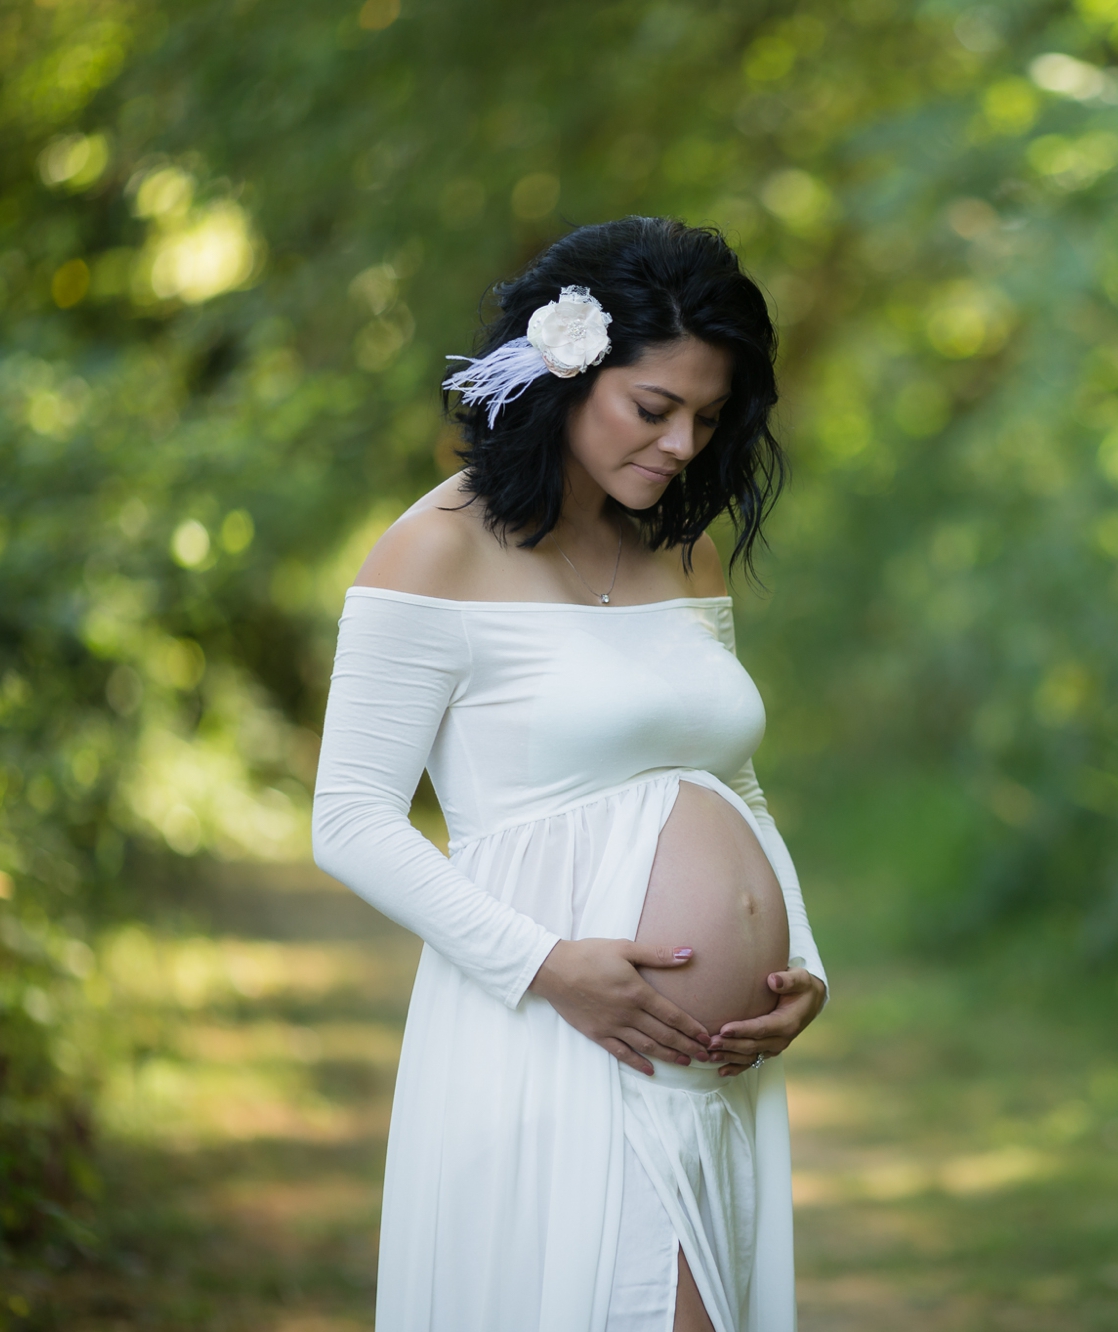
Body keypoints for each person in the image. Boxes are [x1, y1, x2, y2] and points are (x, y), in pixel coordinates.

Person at [311, 216, 827, 1332]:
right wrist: (548, 967)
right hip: (556, 1029)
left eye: (708, 415)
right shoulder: (435, 548)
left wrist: (805, 969)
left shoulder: (677, 548)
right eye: (654, 410)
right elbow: (349, 819)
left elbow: (731, 784)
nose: (685, 444)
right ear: (566, 374)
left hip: (710, 1067)